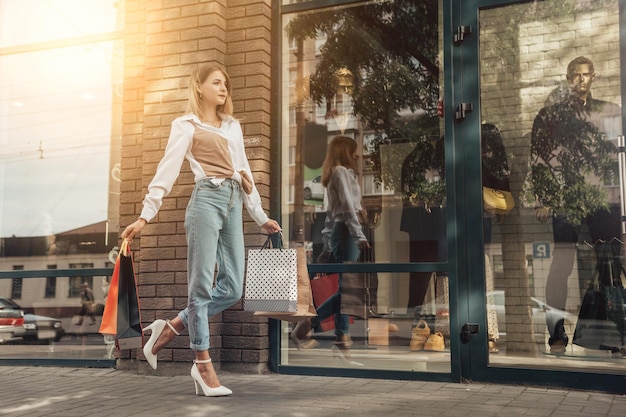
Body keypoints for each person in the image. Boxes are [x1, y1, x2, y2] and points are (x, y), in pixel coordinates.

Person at [121, 63, 281, 397]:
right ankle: (202, 362)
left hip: (233, 202)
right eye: (217, 82)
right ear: (200, 87)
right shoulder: (185, 125)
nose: (224, 88)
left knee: (234, 287)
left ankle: (171, 326)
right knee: (201, 287)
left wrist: (259, 216)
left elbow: (244, 170)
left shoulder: (233, 126)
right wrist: (145, 216)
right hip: (205, 201)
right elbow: (167, 170)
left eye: (226, 83)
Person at [529, 56, 622, 354]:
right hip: (566, 197)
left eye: (586, 74)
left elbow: (618, 157)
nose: (582, 79)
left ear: (594, 76)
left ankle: (615, 334)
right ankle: (556, 334)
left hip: (604, 197)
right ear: (568, 78)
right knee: (562, 262)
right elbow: (539, 158)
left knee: (609, 262)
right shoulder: (550, 115)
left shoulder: (610, 111)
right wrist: (544, 197)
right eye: (576, 75)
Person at [291, 136, 369, 365]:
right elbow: (344, 208)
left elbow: (332, 214)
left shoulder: (341, 173)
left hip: (343, 231)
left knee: (347, 290)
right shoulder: (340, 172)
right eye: (354, 151)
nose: (356, 155)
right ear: (346, 151)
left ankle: (313, 328)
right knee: (348, 290)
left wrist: (328, 244)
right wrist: (359, 234)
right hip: (346, 231)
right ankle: (337, 338)